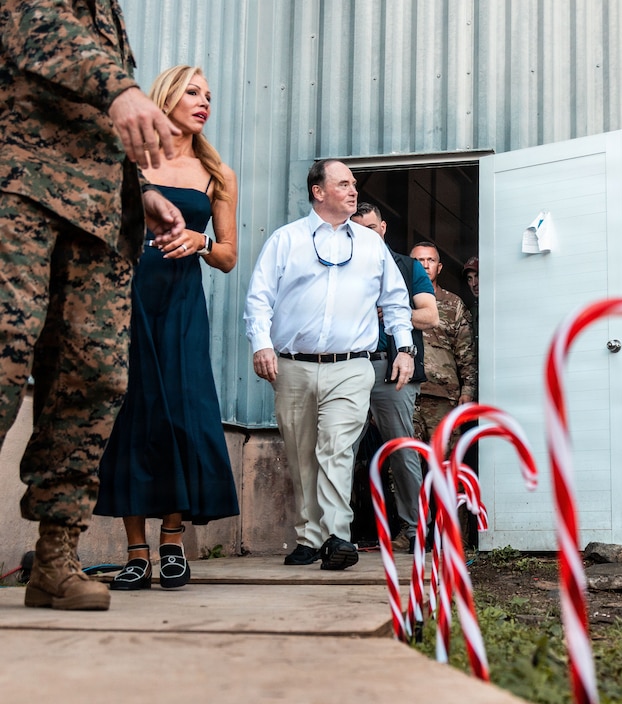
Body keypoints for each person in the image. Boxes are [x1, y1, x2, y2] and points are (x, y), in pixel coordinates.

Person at [0, 0, 186, 611]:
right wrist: (122, 88)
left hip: (101, 214)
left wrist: (143, 191)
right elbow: (32, 27)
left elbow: (89, 120)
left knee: (95, 377)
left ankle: (55, 557)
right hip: (17, 184)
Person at [94, 65, 241, 591]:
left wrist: (201, 243)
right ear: (167, 96)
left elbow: (227, 256)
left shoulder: (217, 174)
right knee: (133, 416)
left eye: (210, 95)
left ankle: (172, 542)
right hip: (126, 298)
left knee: (183, 415)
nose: (204, 102)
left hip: (182, 305)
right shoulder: (129, 158)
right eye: (194, 92)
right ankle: (135, 552)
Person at [245, 160, 416, 570]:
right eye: (343, 184)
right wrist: (261, 345)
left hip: (351, 366)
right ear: (318, 192)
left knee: (336, 448)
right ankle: (310, 536)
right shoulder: (287, 240)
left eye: (354, 184)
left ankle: (339, 536)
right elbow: (259, 298)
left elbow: (395, 300)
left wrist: (405, 349)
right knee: (302, 453)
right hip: (292, 365)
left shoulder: (372, 244)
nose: (353, 190)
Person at [351, 203, 438, 552]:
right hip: (349, 366)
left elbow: (430, 316)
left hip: (393, 367)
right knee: (343, 450)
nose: (364, 235)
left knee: (402, 450)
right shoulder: (342, 266)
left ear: (383, 228)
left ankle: (417, 531)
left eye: (370, 228)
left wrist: (389, 310)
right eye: (357, 229)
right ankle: (335, 533)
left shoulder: (407, 266)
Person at [409, 242, 478, 444]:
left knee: (444, 464)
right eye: (418, 260)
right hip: (405, 394)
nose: (425, 265)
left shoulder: (453, 304)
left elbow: (466, 352)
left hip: (443, 396)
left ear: (439, 267)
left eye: (430, 260)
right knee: (404, 465)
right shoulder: (396, 300)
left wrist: (467, 391)